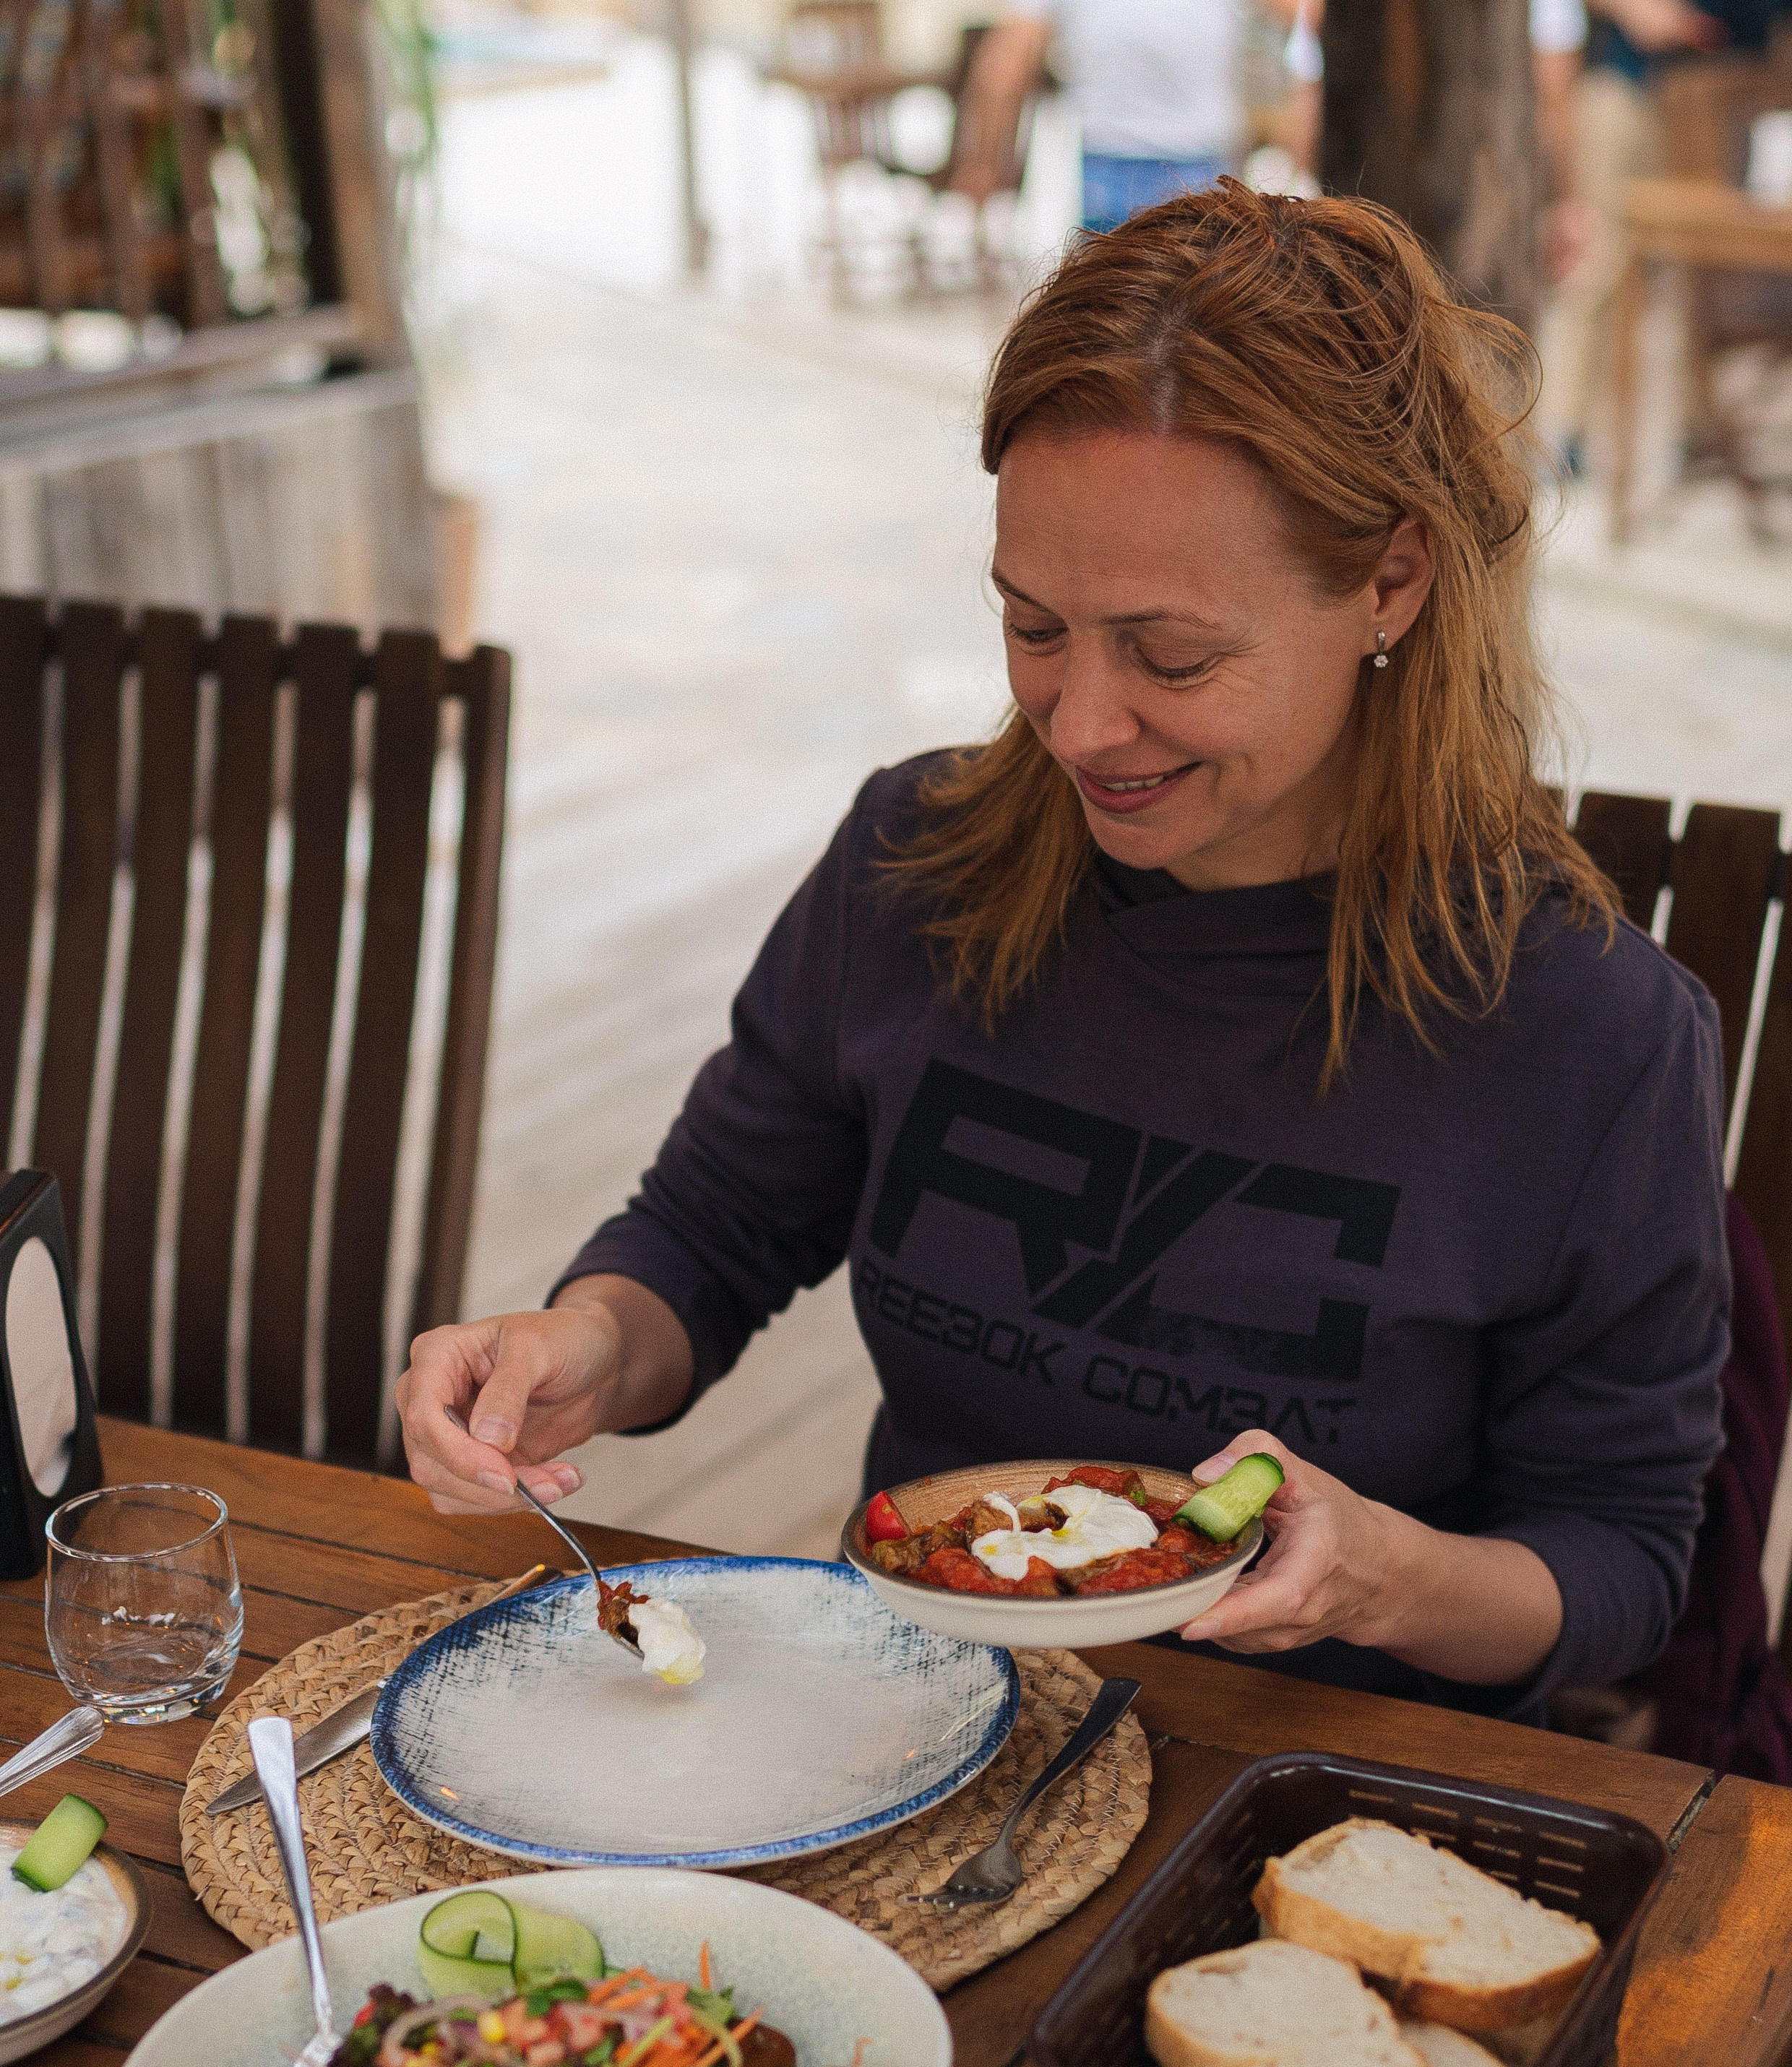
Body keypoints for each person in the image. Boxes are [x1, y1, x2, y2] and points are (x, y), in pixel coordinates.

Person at [398, 184, 1728, 1726]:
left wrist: (1382, 1574)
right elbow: (708, 1232)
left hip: (1311, 1781)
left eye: (1171, 655)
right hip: (917, 1722)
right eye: (1033, 627)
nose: (1081, 723)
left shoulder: (1582, 1034)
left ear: (1390, 582)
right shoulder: (915, 863)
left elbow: (1622, 1560)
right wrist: (582, 1346)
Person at [1537, 0, 1790, 470]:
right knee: (1600, 263)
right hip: (1631, 89)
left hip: (1732, 94)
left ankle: (1688, 437)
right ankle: (1561, 433)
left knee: (1691, 280)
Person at [948, 0, 1255, 230]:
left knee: (1109, 303)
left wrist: (983, 166)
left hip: (1106, 164)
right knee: (1209, 304)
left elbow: (1002, 73)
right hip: (1199, 164)